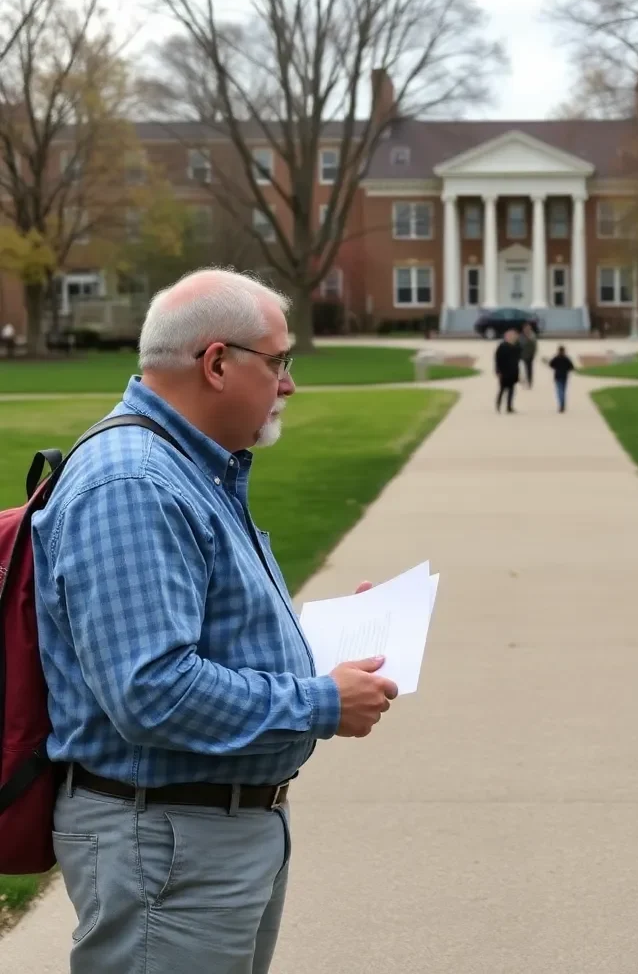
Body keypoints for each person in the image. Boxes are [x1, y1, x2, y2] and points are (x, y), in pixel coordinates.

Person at [32, 268, 398, 974]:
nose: (289, 382)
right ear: (218, 363)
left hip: (202, 832)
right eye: (278, 362)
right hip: (167, 839)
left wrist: (331, 645)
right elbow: (152, 691)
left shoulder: (192, 467)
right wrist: (322, 701)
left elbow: (198, 636)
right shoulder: (134, 481)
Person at [494, 328, 520, 413]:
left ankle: (509, 407)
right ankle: (498, 404)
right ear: (506, 337)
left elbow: (517, 360)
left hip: (513, 372)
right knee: (502, 389)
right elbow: (497, 360)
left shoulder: (516, 347)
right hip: (504, 372)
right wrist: (498, 371)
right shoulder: (502, 347)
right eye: (512, 336)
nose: (514, 337)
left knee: (511, 390)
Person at [547, 344, 575, 412]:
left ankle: (561, 404)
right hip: (564, 376)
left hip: (558, 376)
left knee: (559, 391)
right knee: (563, 391)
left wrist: (556, 368)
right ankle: (563, 404)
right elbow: (571, 367)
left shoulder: (556, 358)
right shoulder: (566, 358)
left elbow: (551, 364)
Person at [519, 323, 538, 387]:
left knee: (529, 368)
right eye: (525, 328)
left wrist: (534, 353)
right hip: (523, 355)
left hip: (530, 355)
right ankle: (524, 381)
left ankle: (529, 382)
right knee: (523, 368)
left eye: (528, 328)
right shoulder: (521, 336)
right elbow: (520, 344)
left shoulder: (532, 335)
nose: (527, 329)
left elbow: (535, 346)